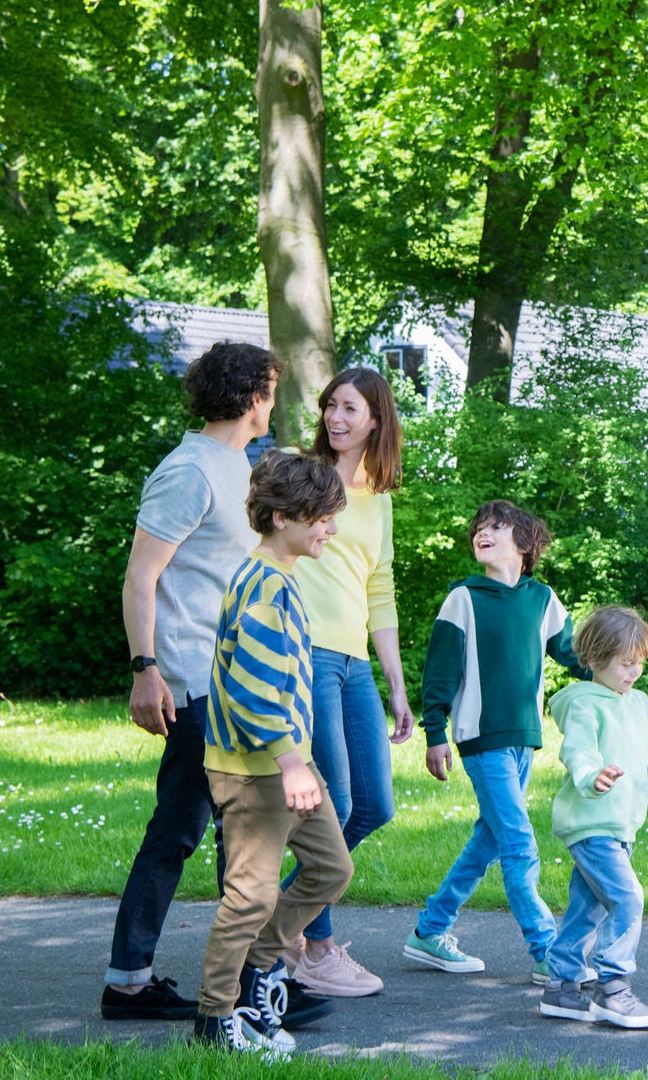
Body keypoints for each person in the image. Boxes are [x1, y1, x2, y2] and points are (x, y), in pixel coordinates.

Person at [102, 340, 277, 1021]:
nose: (274, 401)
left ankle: (137, 979)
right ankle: (237, 989)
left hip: (233, 682)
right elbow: (141, 576)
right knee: (208, 831)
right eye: (269, 388)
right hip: (194, 682)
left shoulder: (239, 467)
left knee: (197, 828)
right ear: (251, 395)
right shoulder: (190, 471)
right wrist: (146, 670)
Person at [195, 451, 355, 1056]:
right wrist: (291, 762)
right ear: (284, 517)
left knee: (332, 869)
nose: (330, 529)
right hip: (257, 770)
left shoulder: (278, 577)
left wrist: (296, 760)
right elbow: (253, 690)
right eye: (322, 518)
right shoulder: (264, 586)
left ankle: (261, 968)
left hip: (287, 762)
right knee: (250, 896)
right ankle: (217, 1019)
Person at [405, 501, 591, 978]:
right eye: (479, 528)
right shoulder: (463, 598)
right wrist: (434, 733)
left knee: (486, 843)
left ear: (524, 544)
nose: (482, 533)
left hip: (525, 739)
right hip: (481, 739)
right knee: (518, 842)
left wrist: (613, 671)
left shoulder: (542, 598)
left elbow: (572, 655)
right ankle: (548, 954)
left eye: (496, 527)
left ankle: (430, 930)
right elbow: (440, 673)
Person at [281, 367, 415, 996]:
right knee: (330, 805)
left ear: (376, 421)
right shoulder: (303, 477)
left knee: (375, 805)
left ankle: (279, 919)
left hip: (355, 663)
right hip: (305, 653)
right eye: (331, 406)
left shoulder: (380, 500)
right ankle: (316, 947)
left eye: (350, 409)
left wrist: (396, 683)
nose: (336, 418)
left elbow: (378, 590)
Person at [540, 606, 648, 1030]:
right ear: (595, 660)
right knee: (628, 897)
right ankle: (613, 988)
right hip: (590, 823)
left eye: (640, 663)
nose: (635, 672)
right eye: (626, 664)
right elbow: (579, 750)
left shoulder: (639, 704)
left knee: (586, 908)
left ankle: (560, 986)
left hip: (619, 826)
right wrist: (592, 775)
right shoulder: (583, 706)